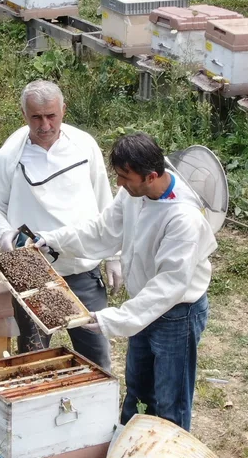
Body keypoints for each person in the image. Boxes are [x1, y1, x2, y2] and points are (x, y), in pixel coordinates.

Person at [34, 132, 216, 431]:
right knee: (137, 391)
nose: (118, 183)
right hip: (142, 306)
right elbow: (102, 231)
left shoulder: (184, 218)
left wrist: (114, 319)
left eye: (124, 177)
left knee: (171, 401)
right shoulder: (134, 193)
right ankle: (128, 453)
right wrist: (52, 238)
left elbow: (169, 286)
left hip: (176, 315)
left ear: (151, 176)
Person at [0, 80, 119, 371]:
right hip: (32, 270)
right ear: (23, 115)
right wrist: (6, 236)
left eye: (51, 115)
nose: (44, 125)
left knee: (97, 362)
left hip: (82, 268)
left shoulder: (84, 145)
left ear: (63, 110)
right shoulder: (10, 155)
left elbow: (106, 202)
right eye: (36, 117)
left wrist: (115, 254)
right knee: (33, 361)